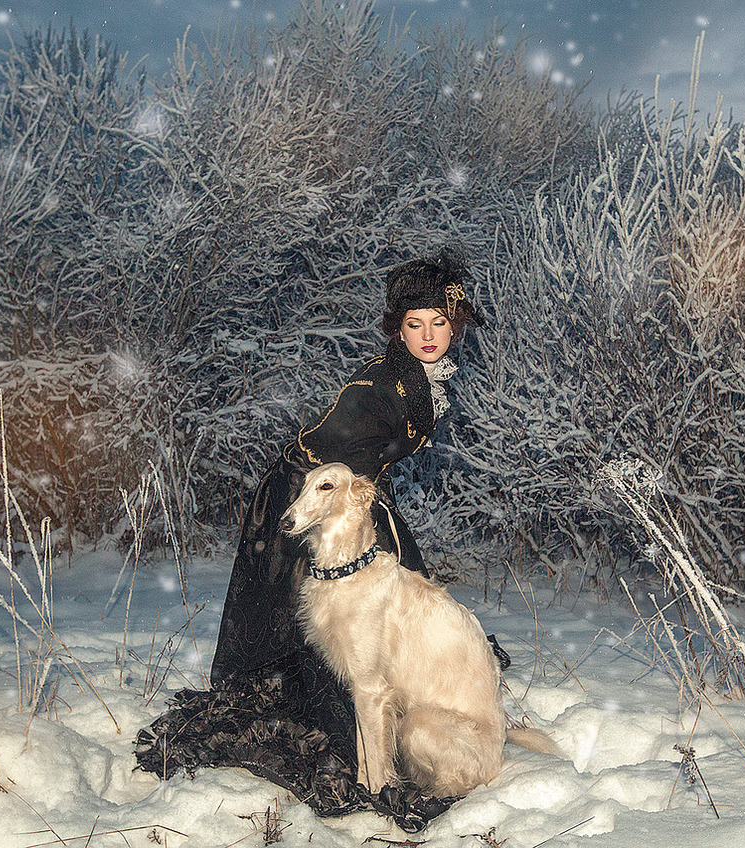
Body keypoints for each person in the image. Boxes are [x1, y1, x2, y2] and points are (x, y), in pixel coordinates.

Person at [136, 249, 490, 831]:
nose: (428, 336)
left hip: (350, 499)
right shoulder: (378, 385)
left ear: (455, 328)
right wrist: (340, 515)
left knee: (394, 607)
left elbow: (367, 465)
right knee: (319, 626)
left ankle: (399, 719)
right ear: (398, 329)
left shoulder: (414, 380)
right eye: (414, 324)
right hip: (306, 500)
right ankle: (347, 747)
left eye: (438, 323)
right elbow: (332, 460)